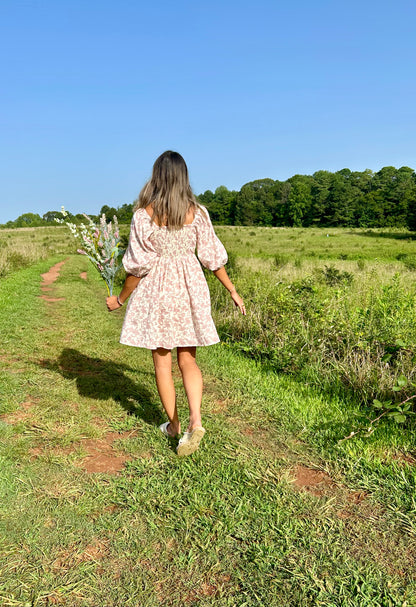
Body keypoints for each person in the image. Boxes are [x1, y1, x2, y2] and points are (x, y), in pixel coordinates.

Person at [106, 151, 245, 456]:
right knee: (188, 360)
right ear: (184, 177)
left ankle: (174, 426)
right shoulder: (198, 213)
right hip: (189, 289)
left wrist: (119, 299)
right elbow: (212, 258)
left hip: (157, 291)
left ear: (156, 176)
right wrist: (233, 290)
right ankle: (196, 420)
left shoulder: (144, 216)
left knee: (162, 363)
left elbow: (137, 267)